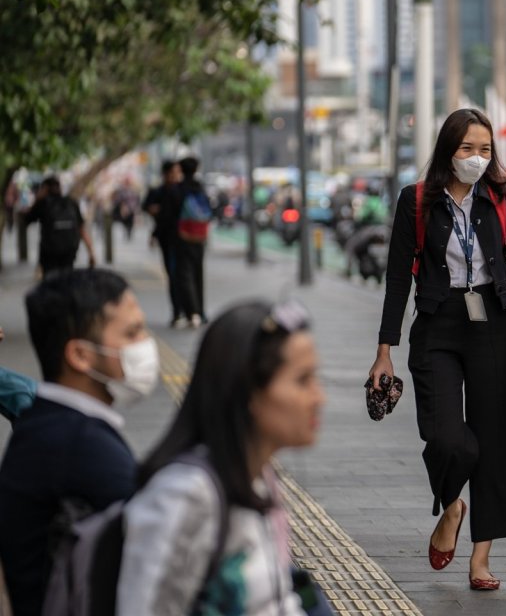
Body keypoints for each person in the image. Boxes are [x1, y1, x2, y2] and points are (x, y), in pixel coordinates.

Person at [369, 108, 506, 590]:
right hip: (437, 322)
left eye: (485, 149)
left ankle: (481, 559)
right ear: (448, 149)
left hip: (494, 324)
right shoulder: (417, 200)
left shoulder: (505, 198)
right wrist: (385, 349)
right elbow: (397, 278)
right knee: (447, 437)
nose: (477, 158)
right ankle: (452, 506)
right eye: (467, 148)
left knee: (498, 442)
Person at [117, 300, 328, 614]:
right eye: (302, 381)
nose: (319, 397)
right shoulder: (185, 496)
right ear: (249, 393)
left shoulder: (259, 478)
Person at [0, 269, 156, 616]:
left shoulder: (49, 425)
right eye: (131, 334)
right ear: (80, 355)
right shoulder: (79, 445)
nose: (146, 345)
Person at [21, 176, 95, 276]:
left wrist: (37, 199)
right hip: (70, 251)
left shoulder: (43, 203)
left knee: (51, 284)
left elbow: (27, 220)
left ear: (45, 189)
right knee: (66, 280)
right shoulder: (71, 203)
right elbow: (81, 230)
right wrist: (91, 253)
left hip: (49, 253)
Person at [143, 160, 185, 327]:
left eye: (178, 172)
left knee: (181, 275)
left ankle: (188, 310)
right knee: (174, 275)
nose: (176, 176)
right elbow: (146, 206)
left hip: (184, 239)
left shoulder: (181, 190)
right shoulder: (160, 191)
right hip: (168, 239)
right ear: (166, 174)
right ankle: (178, 311)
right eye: (174, 172)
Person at [174, 156, 211, 328]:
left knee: (184, 274)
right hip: (200, 236)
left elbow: (171, 214)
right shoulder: (200, 187)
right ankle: (201, 311)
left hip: (182, 236)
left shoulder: (179, 189)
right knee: (198, 273)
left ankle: (192, 312)